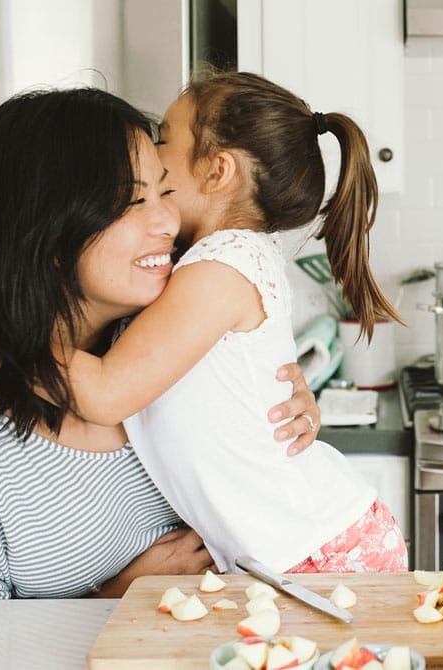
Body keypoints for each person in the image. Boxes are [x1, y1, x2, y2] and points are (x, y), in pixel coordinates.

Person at [0, 87, 322, 604]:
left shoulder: (168, 355)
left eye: (165, 192)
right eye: (133, 200)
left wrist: (275, 397)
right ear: (43, 228)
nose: (168, 223)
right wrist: (120, 597)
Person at [64, 69, 408, 574]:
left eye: (163, 140)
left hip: (321, 551)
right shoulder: (222, 258)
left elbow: (105, 393)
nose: (147, 156)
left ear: (216, 171)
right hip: (309, 546)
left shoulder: (221, 266)